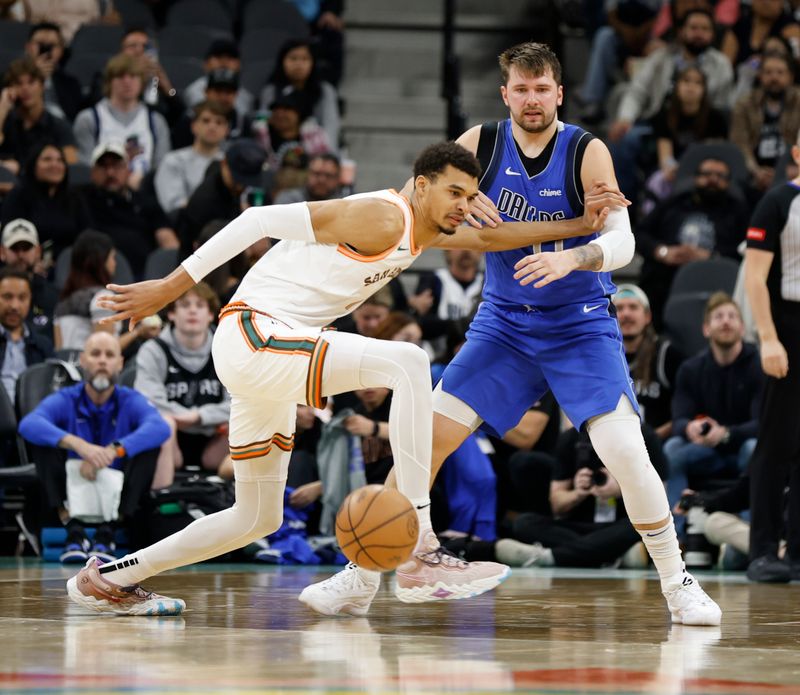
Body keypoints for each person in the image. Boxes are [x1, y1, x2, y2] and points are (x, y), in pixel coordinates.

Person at [65, 140, 626, 615]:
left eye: (471, 195)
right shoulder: (381, 215)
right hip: (255, 333)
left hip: (268, 355)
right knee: (408, 361)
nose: (465, 206)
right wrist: (170, 285)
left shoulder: (423, 230)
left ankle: (109, 578)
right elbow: (256, 220)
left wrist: (582, 225)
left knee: (255, 516)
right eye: (454, 193)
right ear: (421, 185)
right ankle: (419, 547)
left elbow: (487, 239)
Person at [305, 42, 722, 625]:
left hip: (579, 327)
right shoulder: (480, 145)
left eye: (542, 88)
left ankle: (678, 584)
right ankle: (361, 575)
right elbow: (408, 210)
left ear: (559, 92)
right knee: (421, 442)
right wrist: (346, 254)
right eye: (520, 89)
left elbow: (623, 243)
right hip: (503, 325)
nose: (532, 99)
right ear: (506, 94)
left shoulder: (586, 150)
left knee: (625, 451)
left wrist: (571, 261)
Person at [18, 332, 169, 564]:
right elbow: (29, 424)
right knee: (43, 442)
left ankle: (112, 527)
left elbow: (160, 427)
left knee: (149, 447)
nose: (102, 361)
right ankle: (71, 526)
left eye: (109, 355)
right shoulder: (67, 397)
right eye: (95, 354)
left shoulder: (129, 399)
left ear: (120, 363)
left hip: (117, 490)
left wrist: (113, 450)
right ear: (83, 360)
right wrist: (79, 445)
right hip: (72, 488)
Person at [744, 132, 800, 583]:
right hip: (787, 328)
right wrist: (768, 338)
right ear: (796, 154)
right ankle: (762, 548)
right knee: (776, 444)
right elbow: (755, 277)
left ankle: (796, 551)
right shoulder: (780, 201)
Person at [663, 292, 763, 513]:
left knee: (754, 448)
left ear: (742, 328)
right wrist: (691, 428)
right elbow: (679, 420)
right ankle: (675, 536)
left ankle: (745, 532)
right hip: (708, 451)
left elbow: (763, 423)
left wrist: (726, 433)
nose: (726, 321)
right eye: (718, 317)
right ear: (706, 328)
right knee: (672, 448)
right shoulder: (691, 369)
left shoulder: (759, 365)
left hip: (742, 448)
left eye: (731, 316)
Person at [134, 282, 230, 486]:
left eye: (200, 305)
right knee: (161, 423)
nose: (192, 310)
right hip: (170, 436)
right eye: (185, 305)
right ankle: (159, 499)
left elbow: (240, 402)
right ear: (171, 314)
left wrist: (199, 417)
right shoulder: (153, 350)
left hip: (215, 437)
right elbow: (146, 400)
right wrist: (177, 419)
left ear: (211, 315)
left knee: (246, 422)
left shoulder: (227, 349)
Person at [612, 284, 684, 439]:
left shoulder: (668, 355)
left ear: (647, 316)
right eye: (619, 308)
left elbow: (684, 413)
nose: (626, 314)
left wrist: (650, 440)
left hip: (660, 445)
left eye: (633, 307)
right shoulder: (600, 358)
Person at [1, 142, 91, 264]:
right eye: (47, 159)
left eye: (60, 160)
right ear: (33, 165)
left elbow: (86, 235)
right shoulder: (18, 196)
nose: (55, 165)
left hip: (69, 265)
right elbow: (10, 236)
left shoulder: (75, 197)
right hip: (26, 264)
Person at [0, 58, 78, 175]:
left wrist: (20, 170)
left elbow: (72, 167)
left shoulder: (59, 126)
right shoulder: (4, 121)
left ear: (42, 86)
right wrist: (3, 107)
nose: (25, 88)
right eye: (18, 83)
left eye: (31, 82)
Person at [154, 101, 229, 216]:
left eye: (219, 122)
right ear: (193, 126)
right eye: (206, 120)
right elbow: (174, 205)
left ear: (226, 130)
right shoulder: (173, 161)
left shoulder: (230, 163)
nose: (212, 126)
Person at [0, 218, 59, 341]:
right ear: (2, 252)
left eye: (26, 248)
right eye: (14, 248)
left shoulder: (54, 296)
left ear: (38, 251)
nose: (21, 255)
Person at [0, 267, 52, 403]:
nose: (14, 306)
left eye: (22, 298)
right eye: (7, 297)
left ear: (30, 300)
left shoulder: (42, 345)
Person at [23, 21, 83, 121]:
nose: (46, 49)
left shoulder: (71, 83)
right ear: (28, 47)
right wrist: (34, 75)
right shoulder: (12, 78)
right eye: (40, 44)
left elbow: (73, 116)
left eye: (52, 45)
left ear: (61, 50)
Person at [273, 153, 342, 204]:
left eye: (328, 175)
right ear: (308, 174)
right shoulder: (289, 200)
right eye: (316, 174)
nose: (321, 180)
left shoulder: (343, 203)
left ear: (337, 179)